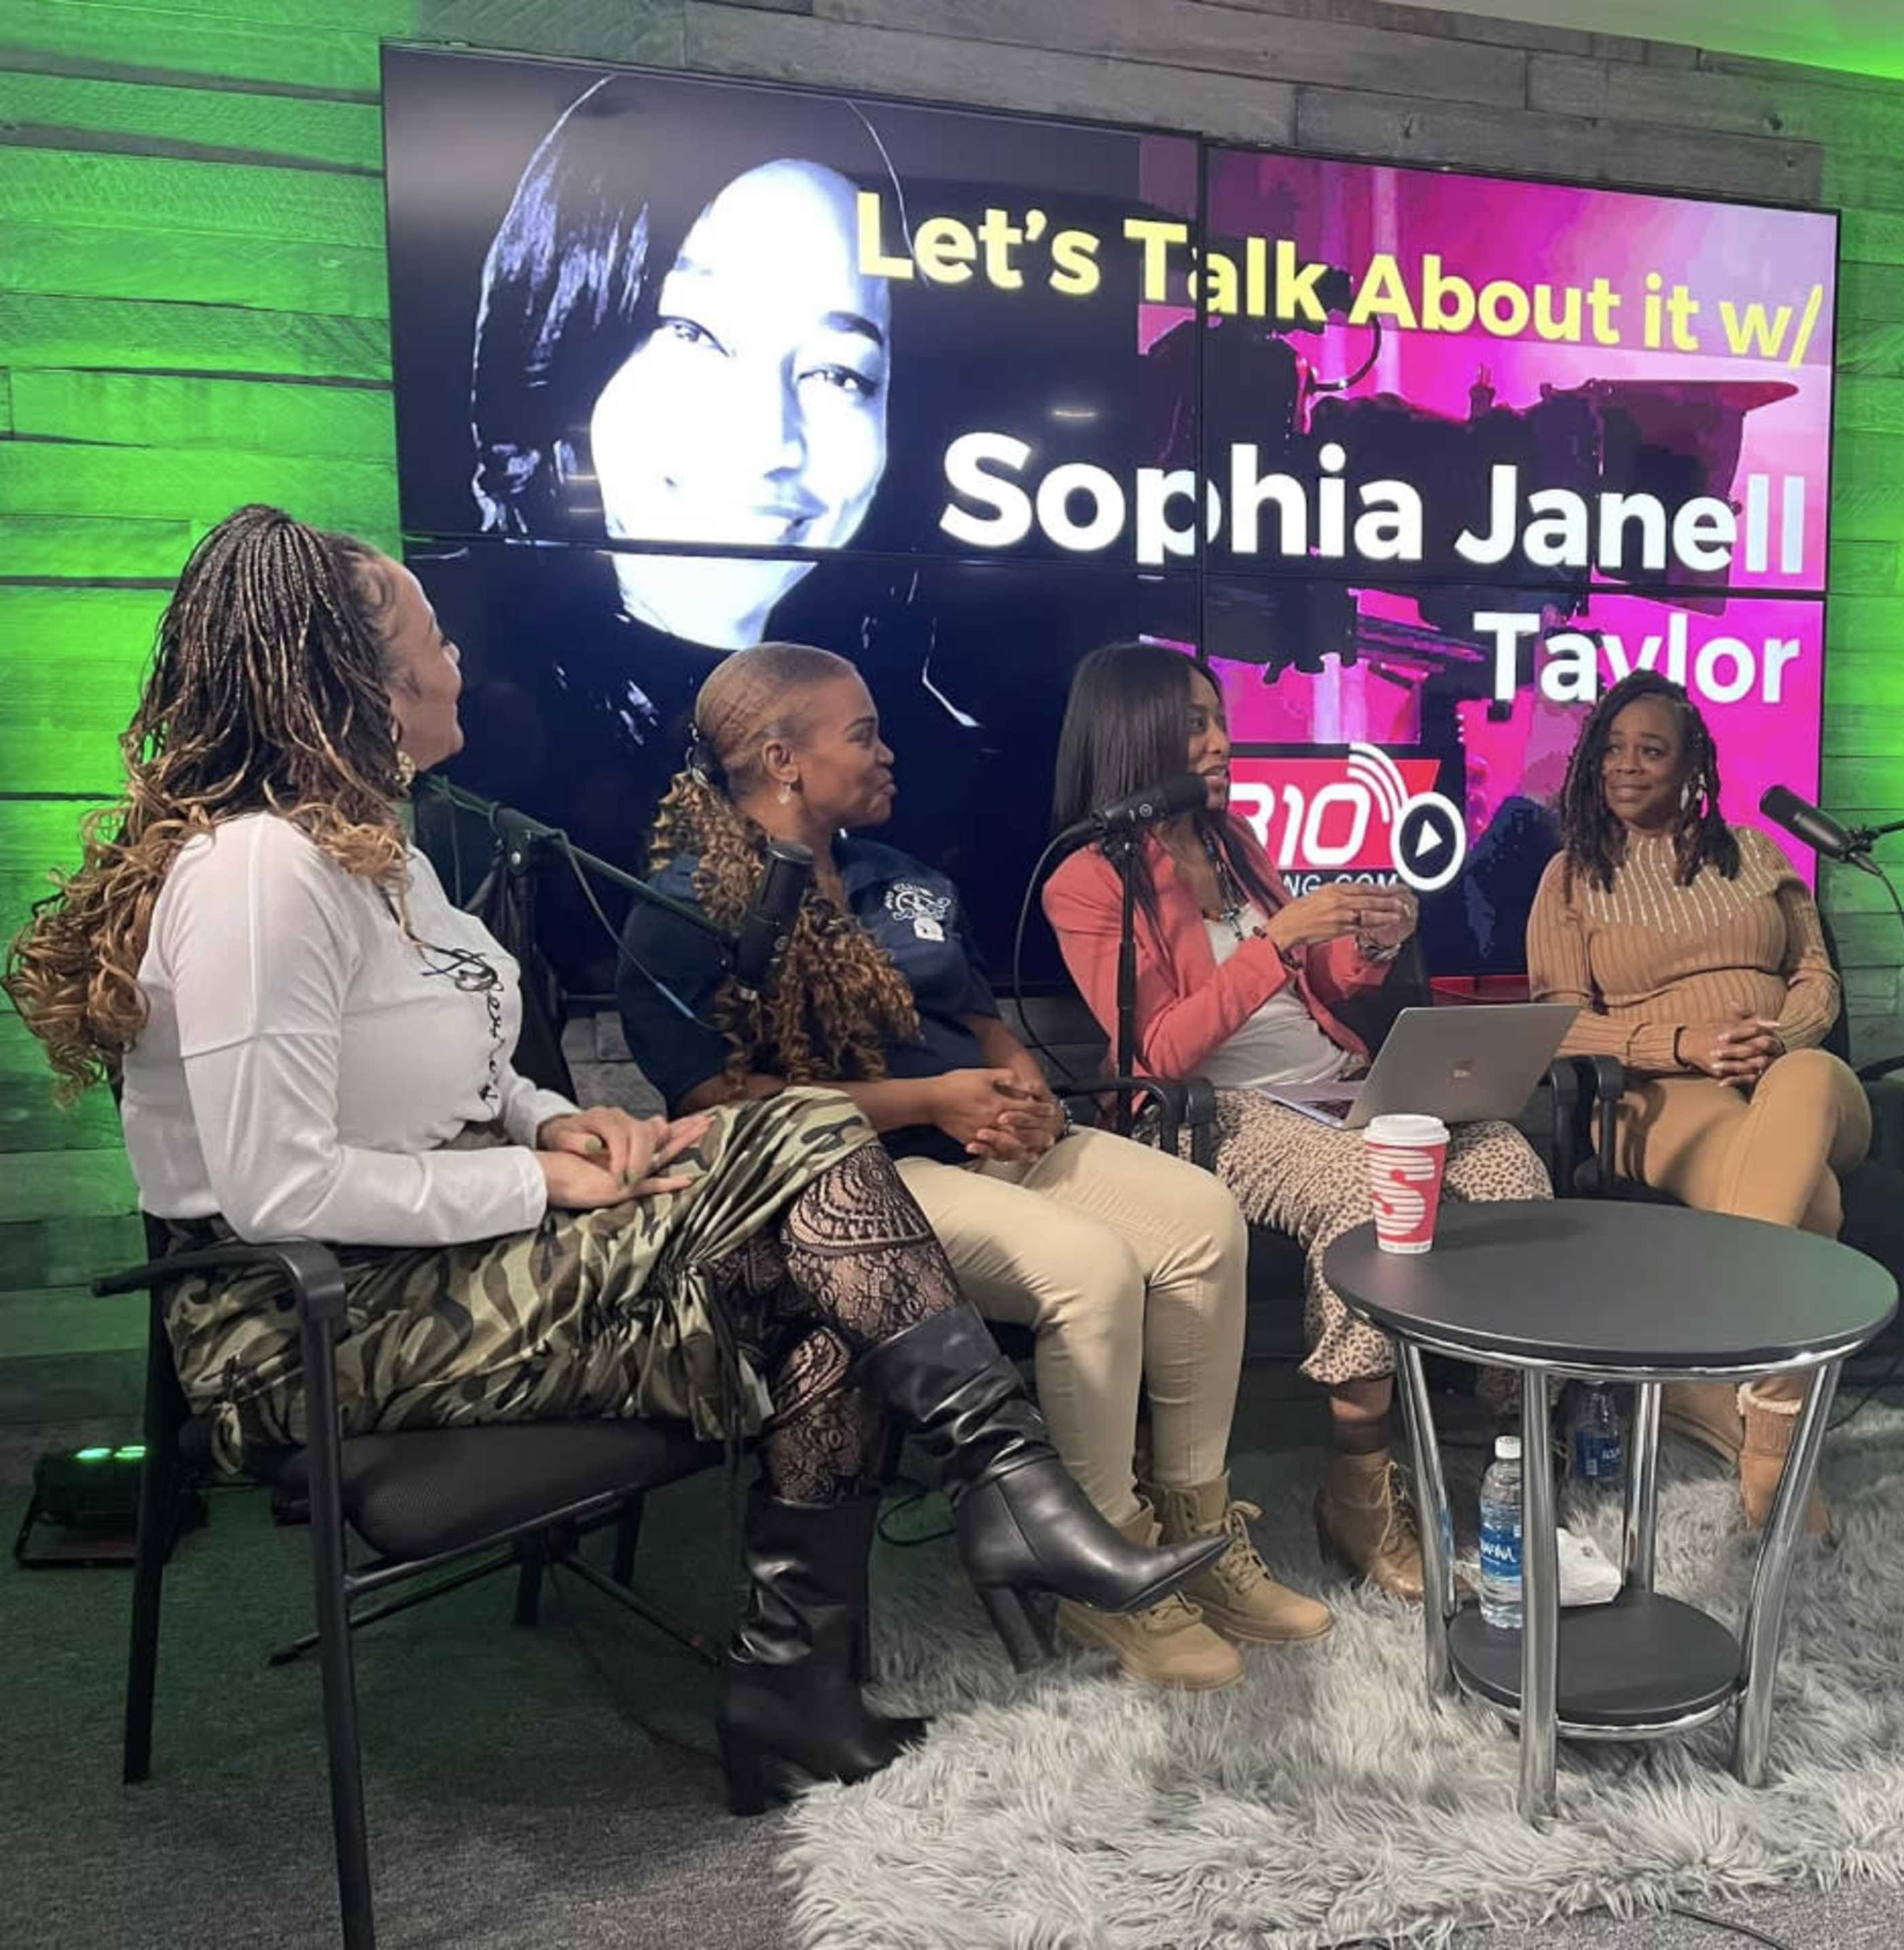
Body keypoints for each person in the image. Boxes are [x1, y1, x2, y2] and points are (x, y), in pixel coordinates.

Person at [1, 507, 1223, 1816]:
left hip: (458, 1262)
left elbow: (466, 1069)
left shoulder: (383, 858)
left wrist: (550, 1121)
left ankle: (799, 1694)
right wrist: (540, 1181)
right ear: (358, 680)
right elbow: (275, 1190)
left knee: (828, 1307)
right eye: (436, 639)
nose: (462, 661)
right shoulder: (257, 875)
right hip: (315, 1316)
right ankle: (1004, 1482)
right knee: (809, 1130)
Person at [617, 645, 1331, 1690]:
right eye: (862, 733)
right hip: (854, 1185)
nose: (888, 750)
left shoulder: (898, 877)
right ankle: (1105, 1568)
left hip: (986, 1139)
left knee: (1200, 1215)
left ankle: (1199, 1525)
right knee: (1089, 1265)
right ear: (783, 757)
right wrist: (929, 1103)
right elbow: (719, 1109)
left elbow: (982, 1020)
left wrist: (1024, 1093)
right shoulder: (681, 912)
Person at [1041, 643, 1553, 1602]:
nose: (1221, 739)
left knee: (1504, 1161)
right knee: (1371, 1196)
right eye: (1194, 721)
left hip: (1330, 1084)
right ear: (1134, 733)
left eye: (1217, 717)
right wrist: (1280, 940)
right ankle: (1358, 1485)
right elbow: (1154, 1053)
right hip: (1209, 1114)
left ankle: (1510, 1441)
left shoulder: (1236, 844)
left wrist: (1362, 943)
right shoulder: (1086, 877)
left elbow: (1315, 994)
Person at [440, 74, 914, 986]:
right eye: (692, 332)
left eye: (839, 374)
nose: (770, 441)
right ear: (564, 335)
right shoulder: (461, 736)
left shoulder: (932, 764)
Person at [1524, 672, 1871, 1539]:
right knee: (1814, 1201)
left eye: (1652, 750)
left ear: (1692, 768)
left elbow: (1816, 976)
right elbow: (1555, 1026)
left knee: (1805, 1085)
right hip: (1661, 1097)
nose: (1626, 767)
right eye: (1612, 748)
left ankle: (1713, 1372)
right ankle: (1770, 1435)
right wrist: (1679, 1046)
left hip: (1797, 1078)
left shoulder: (1755, 853)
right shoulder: (1571, 879)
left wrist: (1782, 1038)